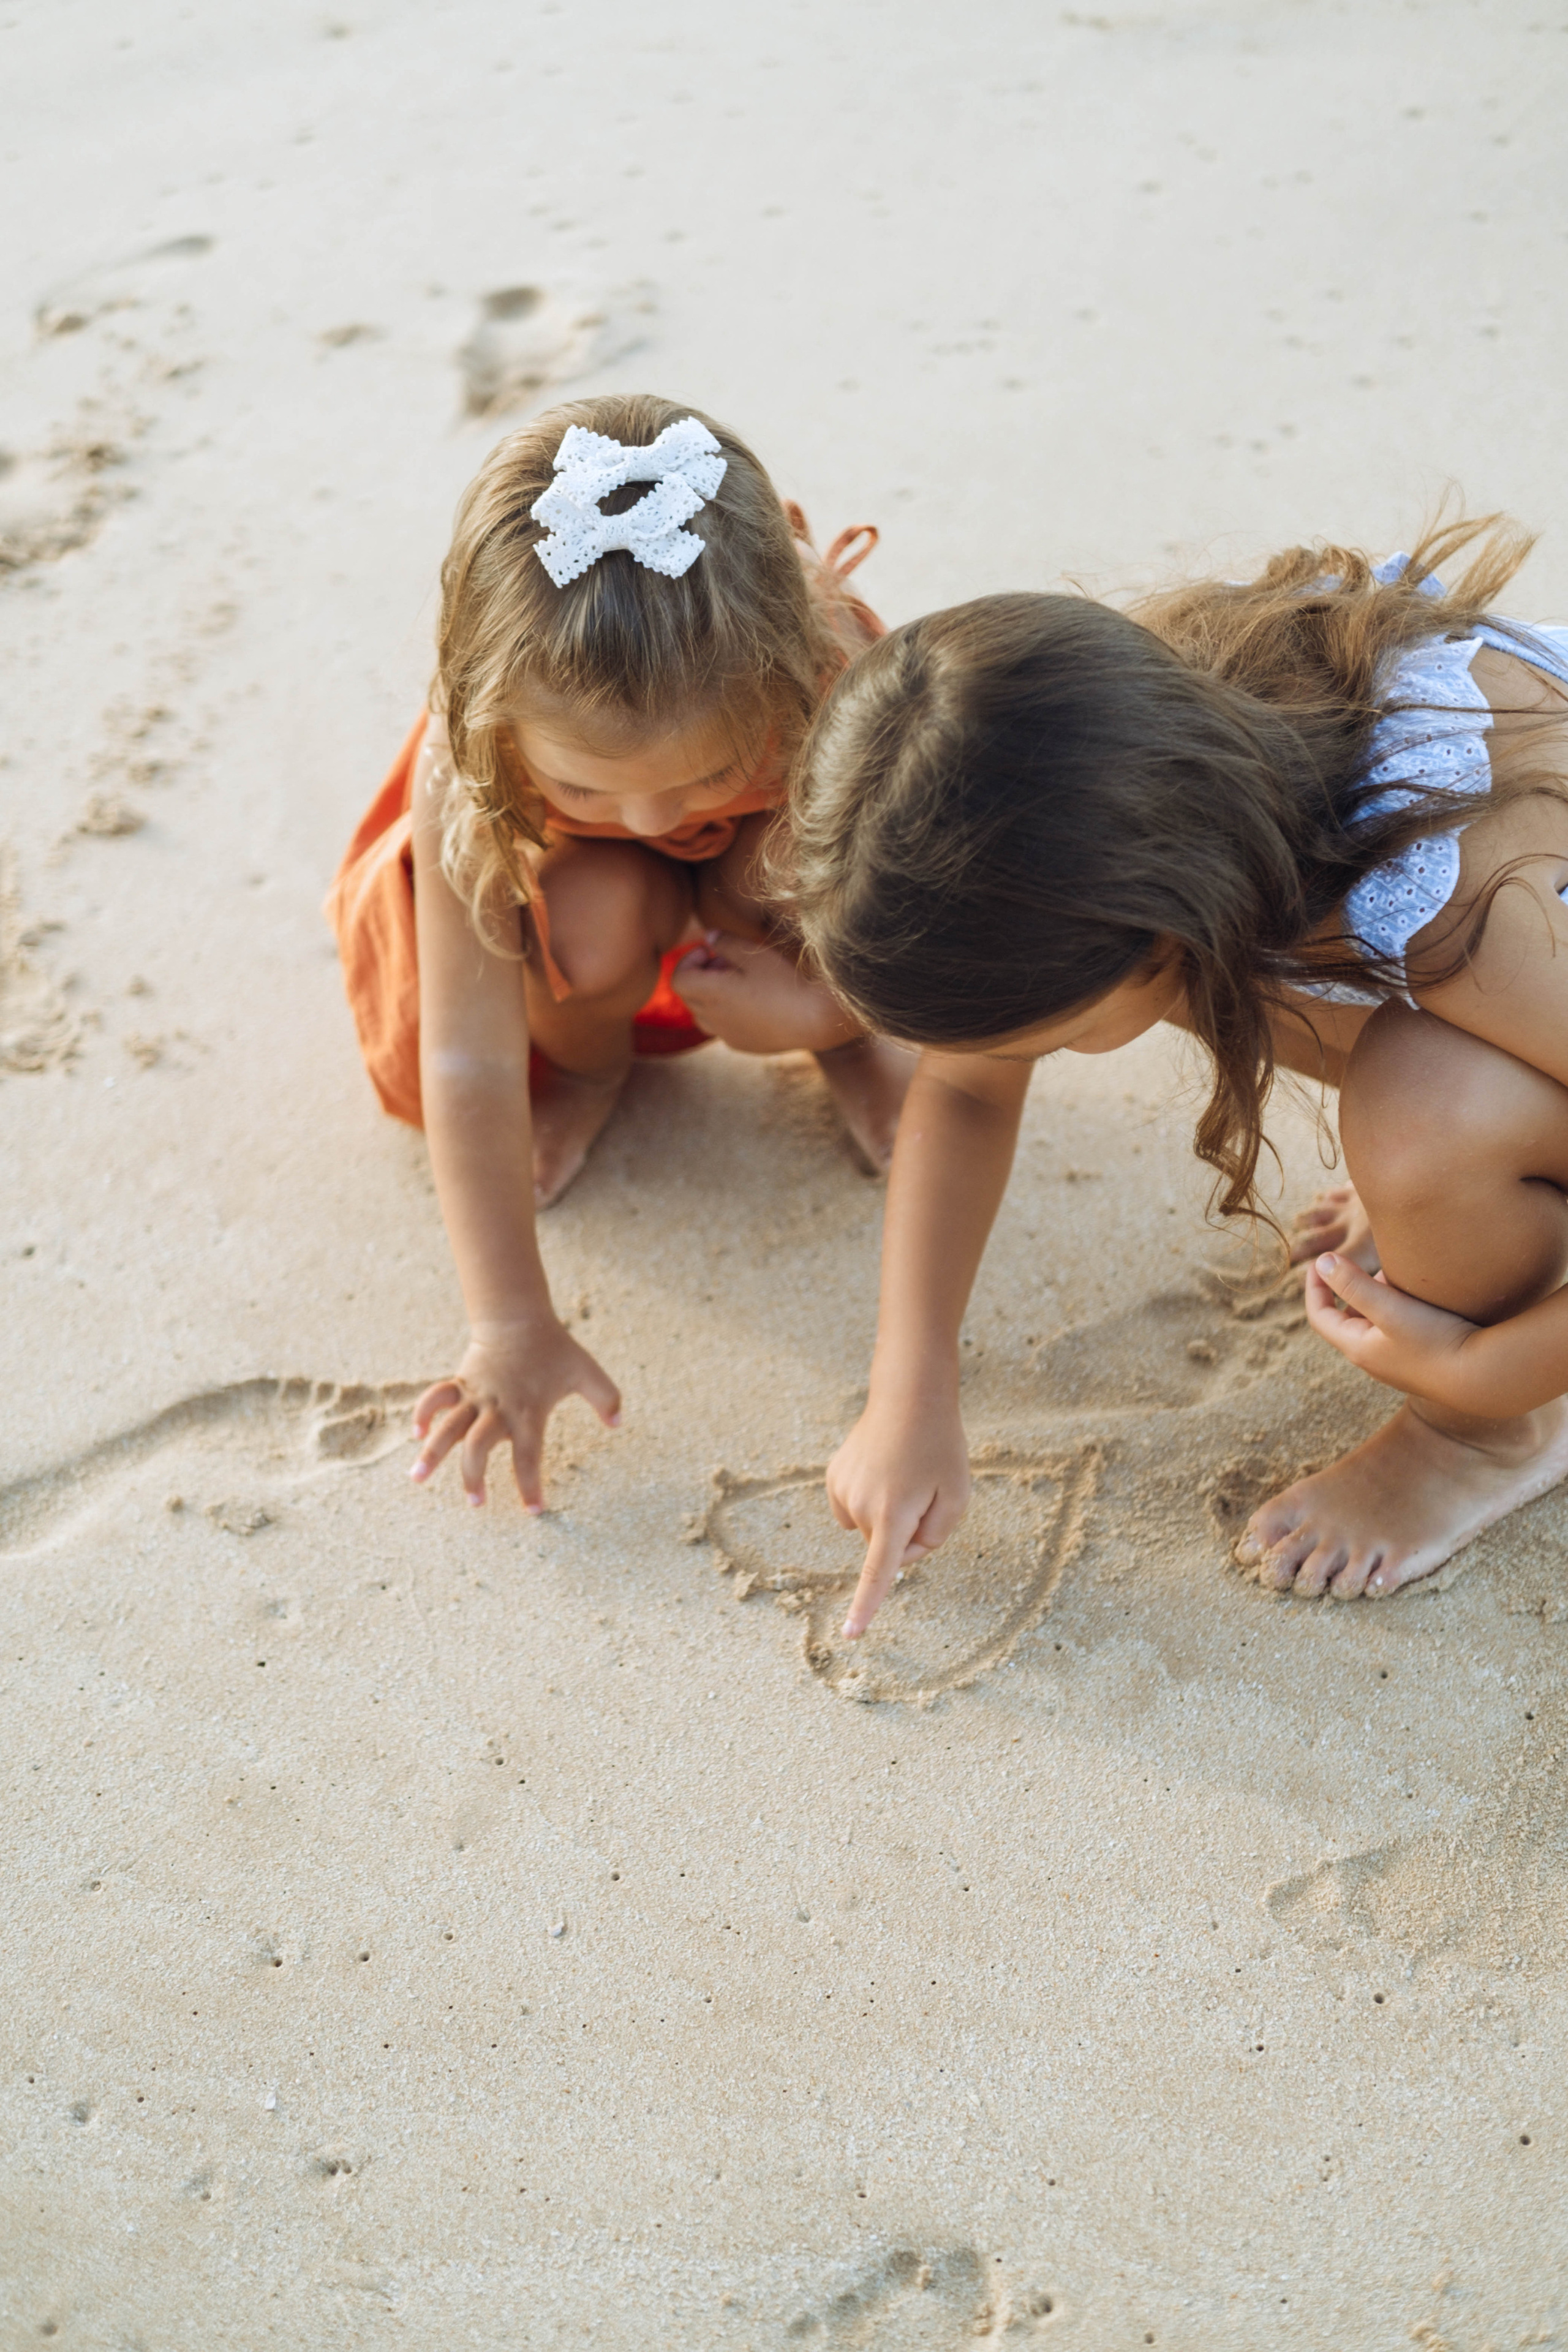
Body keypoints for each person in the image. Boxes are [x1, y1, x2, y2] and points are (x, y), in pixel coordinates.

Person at [773, 519, 1568, 1632]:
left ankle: (1484, 1445)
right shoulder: (1114, 771)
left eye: (1046, 1038)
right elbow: (961, 1090)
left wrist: (1483, 1373)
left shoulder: (1456, 902)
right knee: (1343, 1030)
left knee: (1426, 1111)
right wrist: (910, 1395)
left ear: (1158, 928)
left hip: (1528, 972)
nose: (1011, 1061)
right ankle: (1492, 1194)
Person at [326, 395, 910, 1509]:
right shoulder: (478, 749)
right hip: (583, 895)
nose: (653, 821)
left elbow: (934, 917)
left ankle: (847, 1046)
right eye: (587, 786)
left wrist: (827, 1011)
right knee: (580, 927)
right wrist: (508, 1322)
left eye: (707, 775)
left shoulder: (834, 674)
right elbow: (465, 1055)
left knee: (800, 858)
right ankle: (595, 1068)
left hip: (775, 871)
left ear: (786, 661)